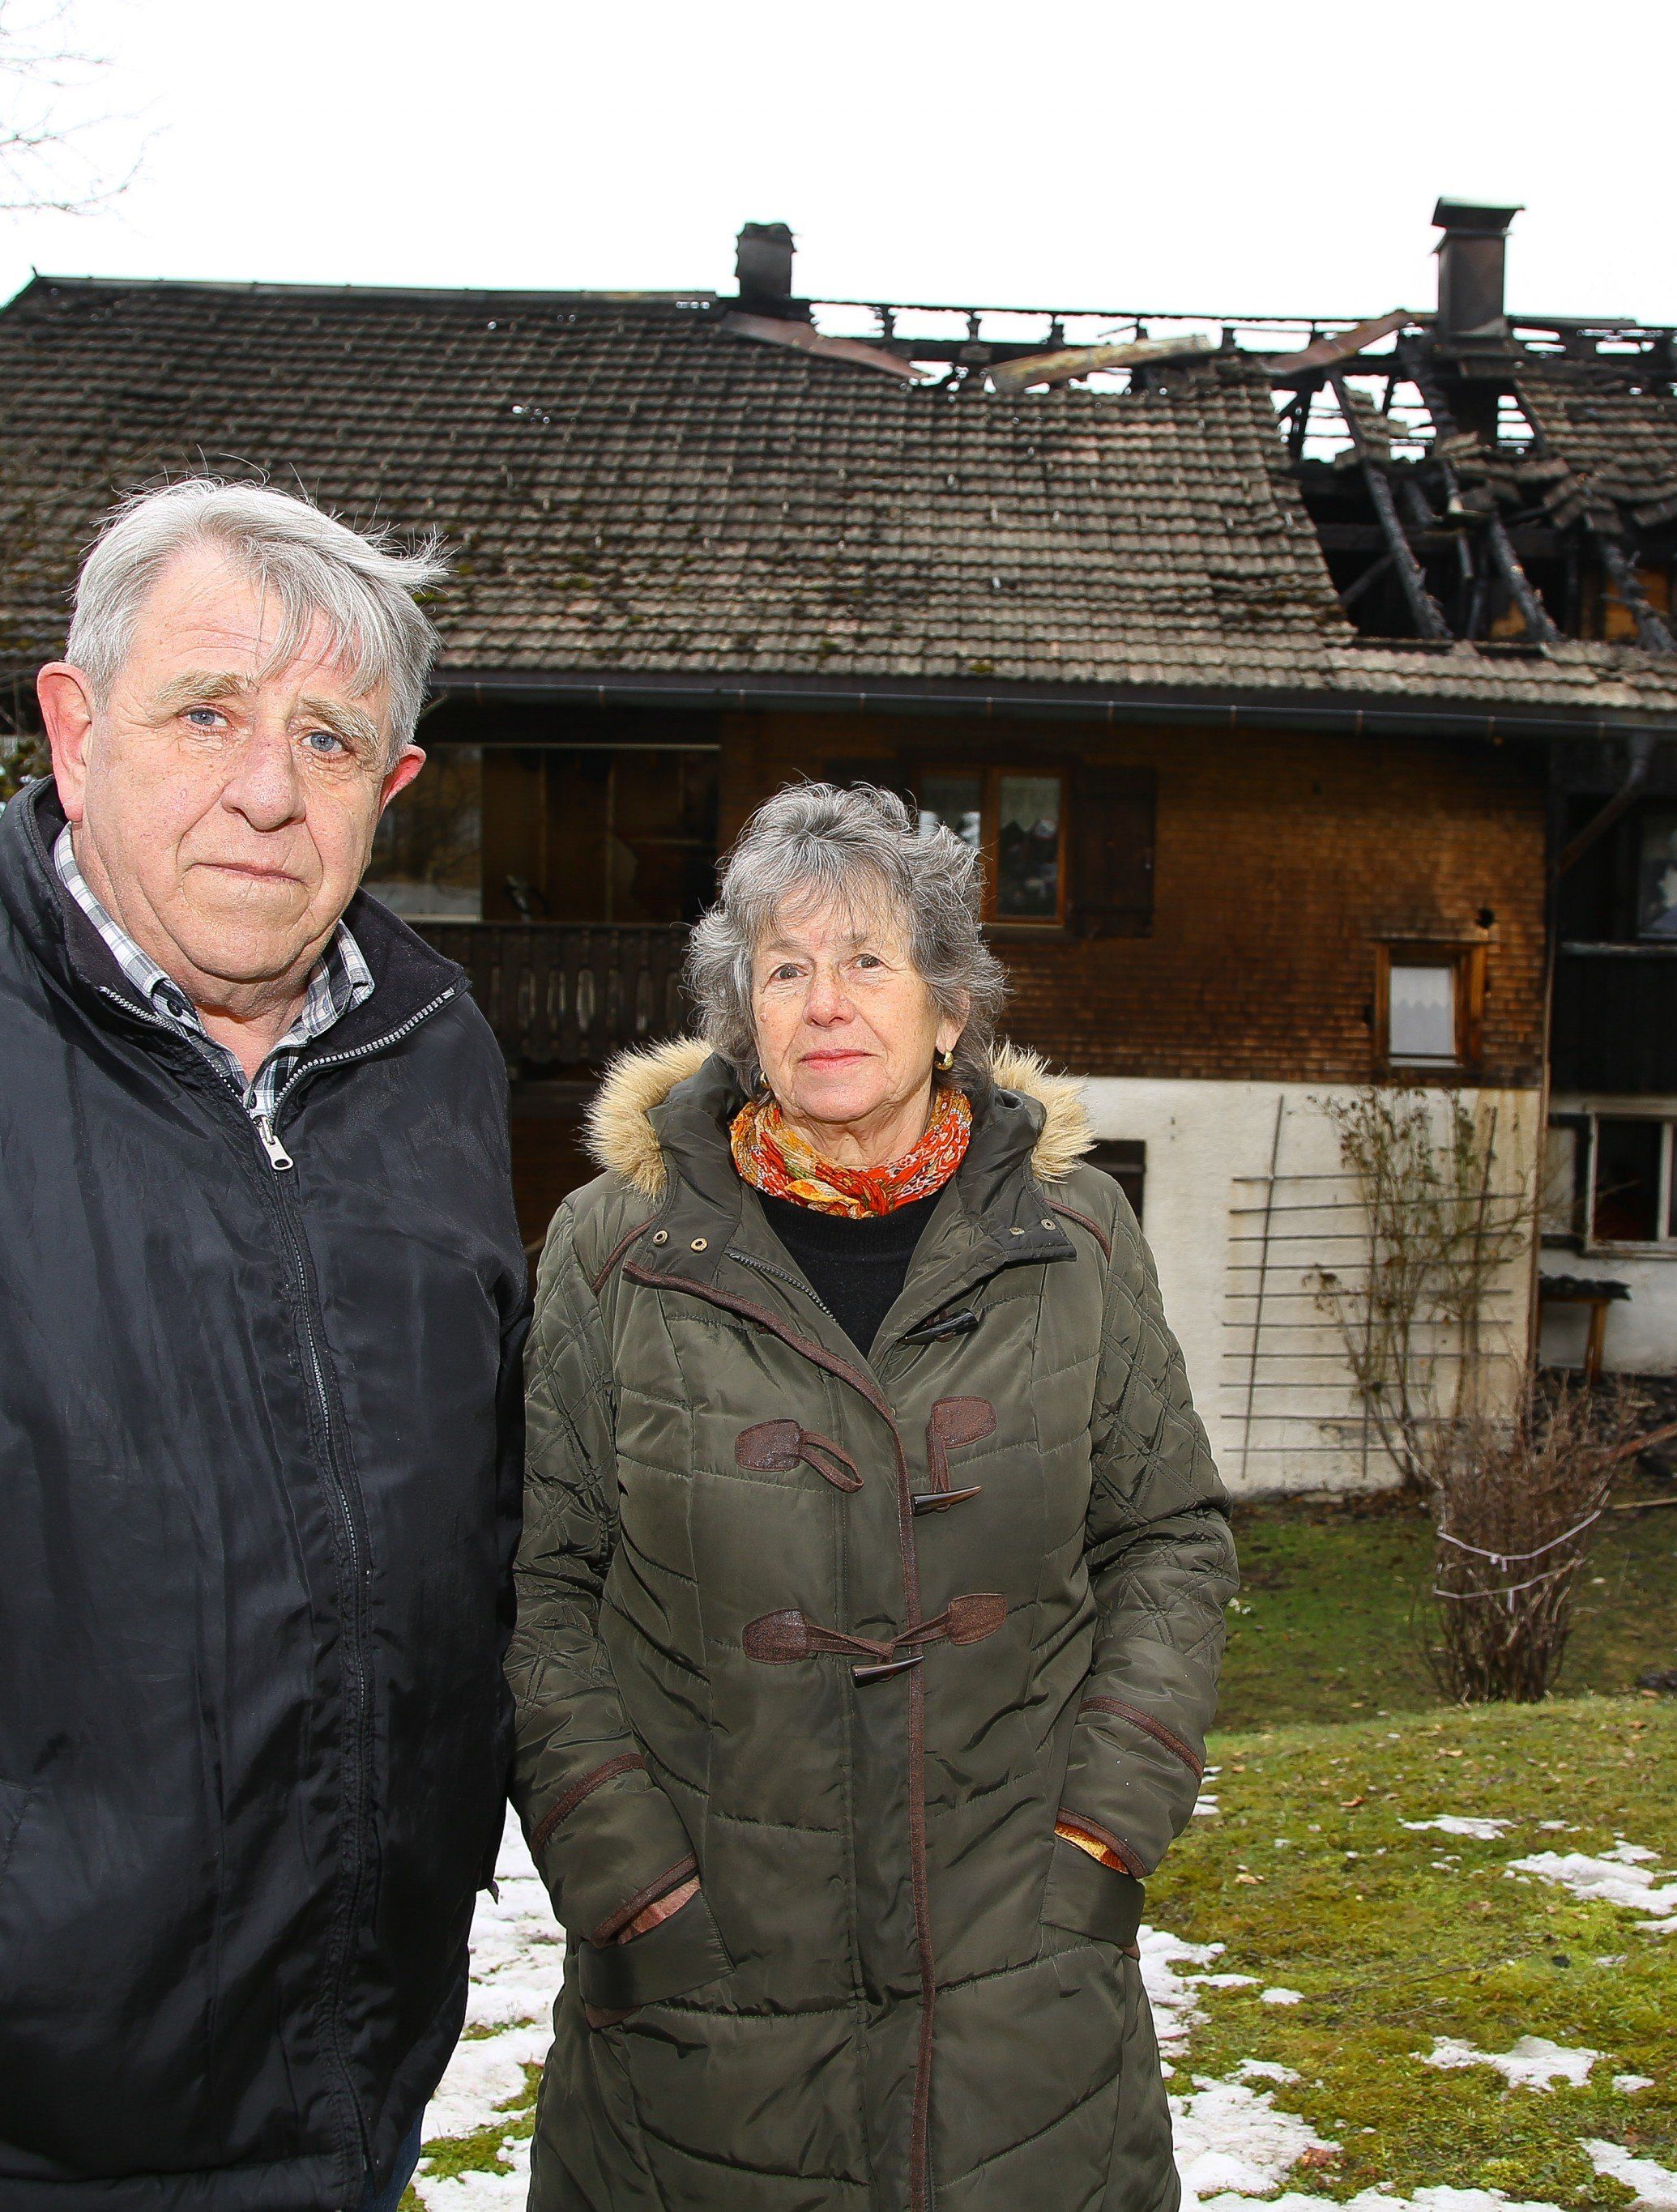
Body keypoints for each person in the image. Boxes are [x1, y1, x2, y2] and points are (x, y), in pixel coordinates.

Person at [0, 479, 530, 2212]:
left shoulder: (435, 1063)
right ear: (74, 732)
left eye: (327, 734)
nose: (264, 787)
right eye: (204, 712)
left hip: (351, 2111)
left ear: (392, 788)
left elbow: (476, 1521)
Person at [512, 781, 1236, 2211]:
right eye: (785, 969)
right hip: (702, 1998)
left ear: (951, 1007)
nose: (825, 1003)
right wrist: (630, 1882)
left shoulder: (1075, 1238)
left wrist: (1104, 1834)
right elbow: (543, 1588)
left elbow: (1168, 1540)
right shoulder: (615, 1249)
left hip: (1020, 1986)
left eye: (868, 962)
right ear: (741, 1012)